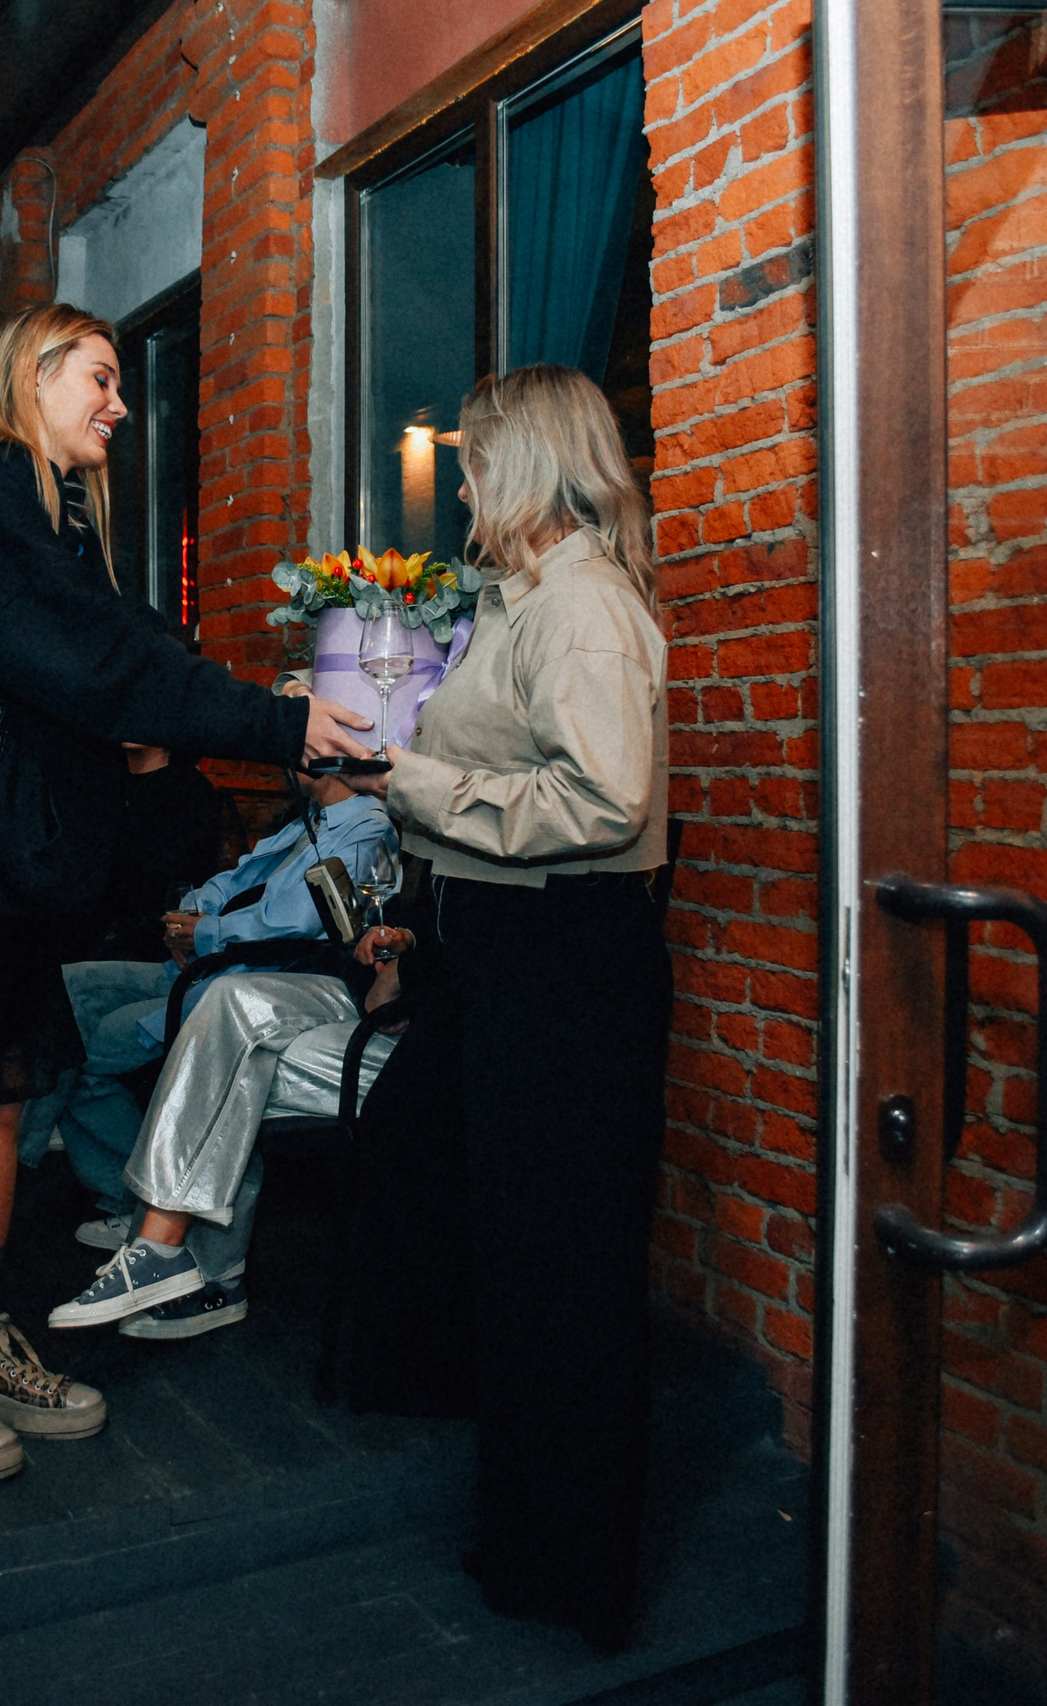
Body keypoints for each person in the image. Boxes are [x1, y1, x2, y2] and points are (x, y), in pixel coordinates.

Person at [0, 300, 377, 1483]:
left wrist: (256, 713)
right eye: (98, 376)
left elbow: (124, 645)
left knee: (0, 1104)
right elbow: (102, 664)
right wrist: (277, 720)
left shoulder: (43, 514)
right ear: (30, 376)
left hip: (15, 860)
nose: (120, 404)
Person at [343, 363, 673, 1652]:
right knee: (509, 1252)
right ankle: (530, 1536)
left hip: (562, 969)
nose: (462, 483)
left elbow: (604, 806)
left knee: (564, 1276)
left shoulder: (581, 606)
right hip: (503, 962)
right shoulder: (523, 597)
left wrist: (408, 782)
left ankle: (569, 1569)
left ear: (525, 466)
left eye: (474, 461)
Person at [26, 752, 394, 1251]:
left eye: (298, 743)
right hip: (201, 960)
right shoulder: (309, 820)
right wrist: (189, 916)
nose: (283, 754)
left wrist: (207, 933)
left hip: (250, 974)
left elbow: (303, 921)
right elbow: (235, 878)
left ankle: (112, 1196)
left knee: (81, 1049)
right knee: (62, 987)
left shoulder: (365, 828)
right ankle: (24, 1150)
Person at [45, 943, 407, 1341]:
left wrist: (407, 974)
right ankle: (179, 1259)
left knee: (236, 1054)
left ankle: (177, 1255)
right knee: (229, 996)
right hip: (353, 982)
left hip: (419, 1025)